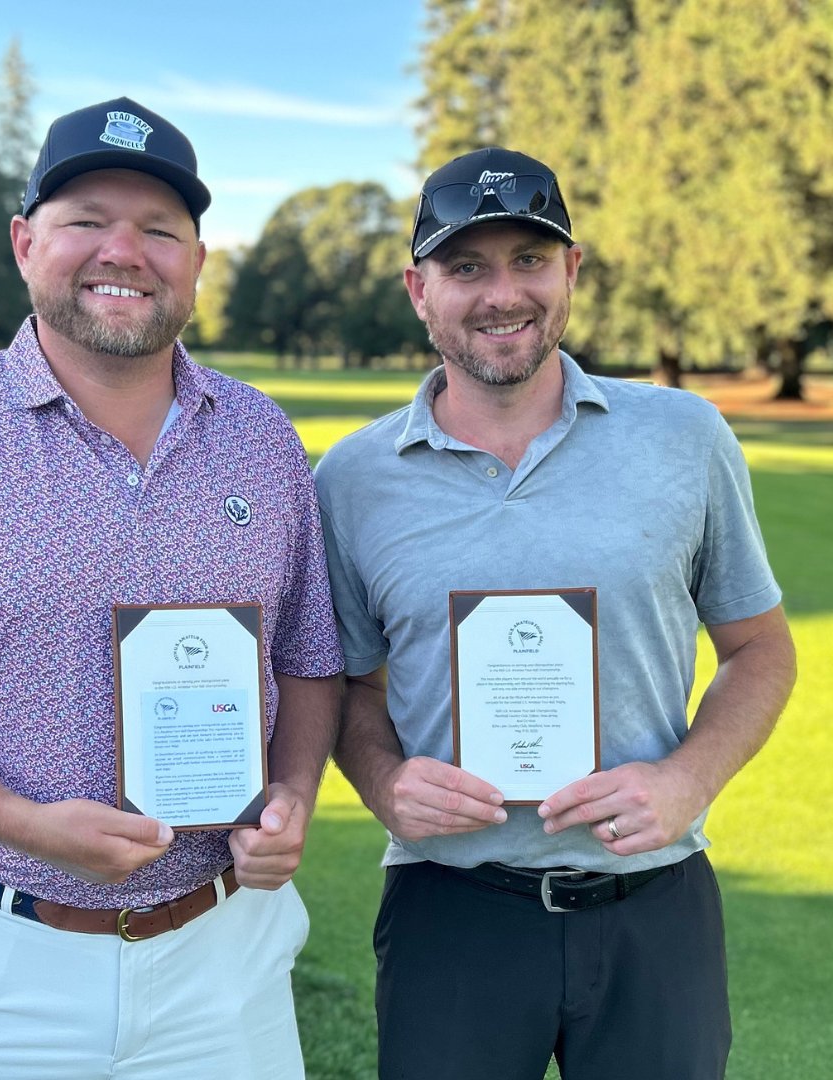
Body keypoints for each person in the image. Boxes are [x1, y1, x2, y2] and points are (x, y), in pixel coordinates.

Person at [0, 96, 343, 1080]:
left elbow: (309, 658)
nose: (125, 251)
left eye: (160, 229)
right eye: (87, 221)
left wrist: (289, 795)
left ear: (198, 262)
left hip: (223, 959)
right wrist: (18, 823)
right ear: (25, 242)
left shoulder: (263, 439)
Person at [313, 146, 796, 1080]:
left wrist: (687, 782)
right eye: (467, 268)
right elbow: (346, 686)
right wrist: (382, 783)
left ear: (571, 270)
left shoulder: (685, 437)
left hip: (654, 907)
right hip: (450, 909)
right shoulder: (352, 479)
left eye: (529, 260)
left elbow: (760, 650)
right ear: (419, 289)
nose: (503, 294)